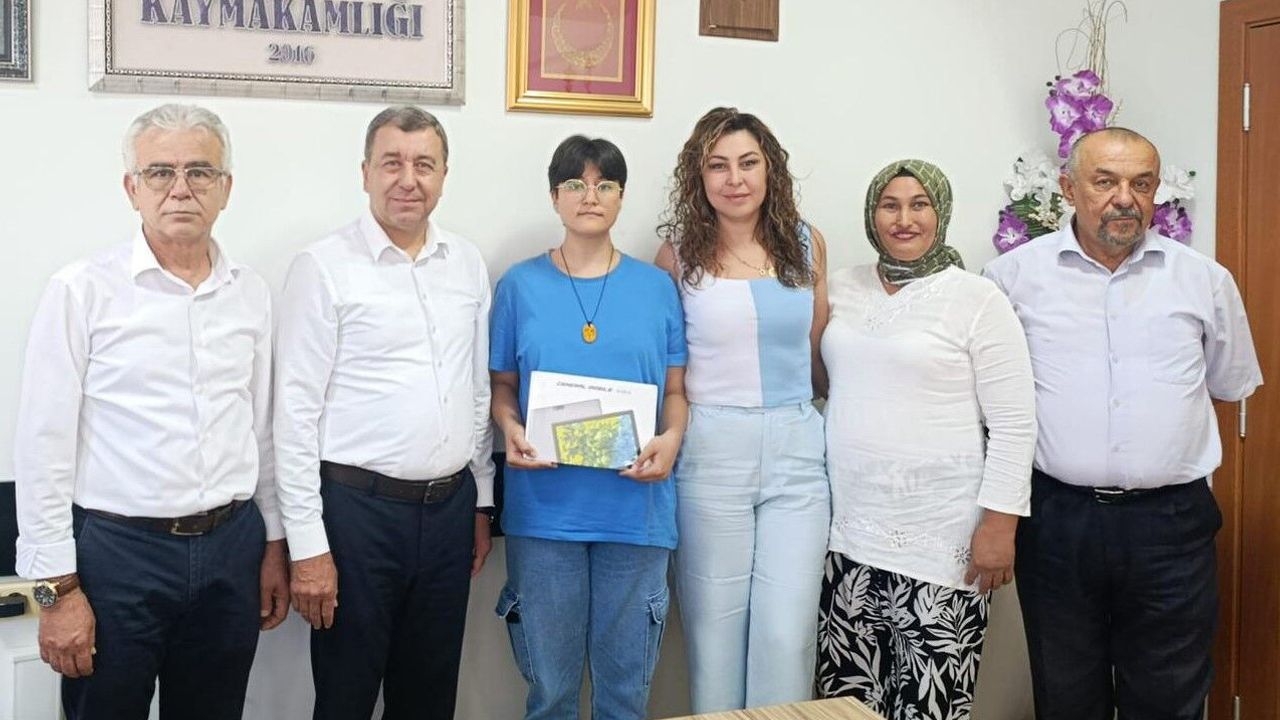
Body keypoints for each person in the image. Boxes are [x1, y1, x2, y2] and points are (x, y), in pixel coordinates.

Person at [13, 103, 289, 719]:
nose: (181, 188)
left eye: (200, 171)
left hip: (232, 548)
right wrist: (54, 594)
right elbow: (41, 448)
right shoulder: (81, 291)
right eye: (160, 172)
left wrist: (273, 544)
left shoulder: (249, 293)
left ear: (226, 188)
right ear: (131, 188)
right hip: (119, 557)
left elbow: (263, 430)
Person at [983, 127, 1263, 720]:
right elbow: (995, 403)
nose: (1124, 198)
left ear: (1156, 192)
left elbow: (1226, 386)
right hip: (1058, 521)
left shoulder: (1204, 281)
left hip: (1171, 525)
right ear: (1068, 189)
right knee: (1066, 693)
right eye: (1105, 182)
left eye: (1141, 183)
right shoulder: (1010, 279)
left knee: (1169, 695)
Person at [273, 105, 495, 720]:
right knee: (345, 696)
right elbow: (294, 414)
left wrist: (480, 502)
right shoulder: (323, 267)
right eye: (392, 162)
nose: (408, 179)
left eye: (424, 164)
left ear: (444, 175)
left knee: (429, 698)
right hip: (356, 517)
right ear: (365, 172)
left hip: (448, 513)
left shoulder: (466, 262)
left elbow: (476, 390)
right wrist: (308, 546)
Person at [815, 159, 1036, 719]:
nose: (904, 219)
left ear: (942, 213)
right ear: (872, 215)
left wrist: (1000, 526)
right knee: (845, 706)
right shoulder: (843, 287)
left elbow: (1014, 421)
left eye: (920, 205)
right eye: (890, 205)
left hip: (942, 541)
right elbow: (821, 381)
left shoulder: (977, 298)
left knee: (928, 706)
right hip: (848, 537)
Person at [490, 135, 687, 720]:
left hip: (636, 514)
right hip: (545, 514)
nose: (590, 196)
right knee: (550, 696)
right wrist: (510, 428)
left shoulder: (657, 288)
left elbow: (677, 392)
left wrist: (671, 439)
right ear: (555, 196)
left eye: (605, 185)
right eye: (575, 184)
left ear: (622, 197)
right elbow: (502, 387)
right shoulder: (519, 286)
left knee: (624, 699)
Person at [654, 107, 829, 713]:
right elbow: (668, 375)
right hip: (710, 452)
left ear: (769, 169)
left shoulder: (807, 243)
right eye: (718, 165)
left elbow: (817, 354)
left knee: (786, 633)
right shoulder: (677, 256)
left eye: (748, 163)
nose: (735, 179)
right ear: (698, 177)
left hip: (798, 454)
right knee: (715, 637)